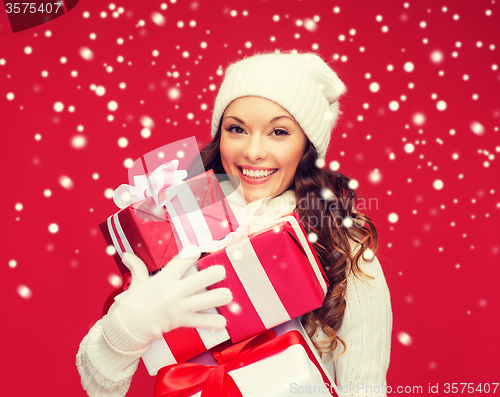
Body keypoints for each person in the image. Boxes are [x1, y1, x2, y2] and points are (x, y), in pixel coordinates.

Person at [77, 51, 392, 396]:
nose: (253, 151)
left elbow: (365, 389)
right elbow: (100, 384)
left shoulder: (341, 249)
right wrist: (130, 325)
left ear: (306, 146)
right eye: (237, 129)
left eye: (278, 132)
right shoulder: (177, 225)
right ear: (220, 134)